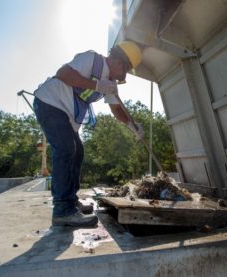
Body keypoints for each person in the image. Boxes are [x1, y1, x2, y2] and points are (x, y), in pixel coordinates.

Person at [33, 41, 144, 227]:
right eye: (124, 71)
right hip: (49, 102)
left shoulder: (111, 84)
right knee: (66, 149)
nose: (122, 77)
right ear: (119, 61)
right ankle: (62, 211)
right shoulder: (92, 59)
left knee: (78, 151)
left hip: (65, 115)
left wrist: (133, 126)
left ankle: (70, 202)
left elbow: (117, 110)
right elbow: (63, 74)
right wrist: (96, 85)